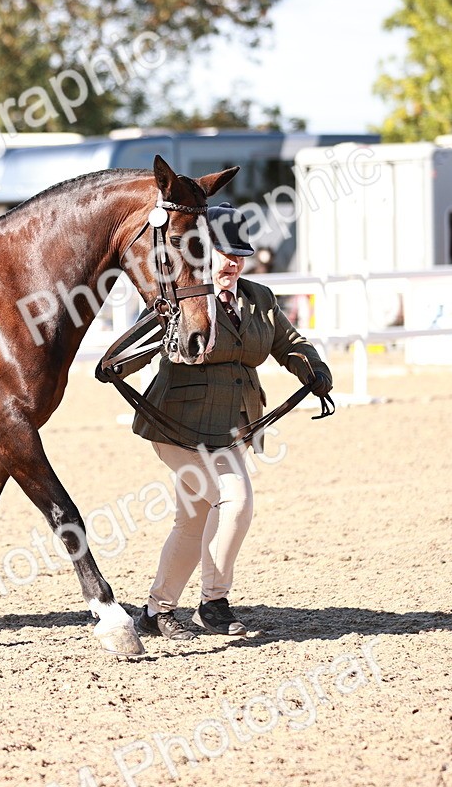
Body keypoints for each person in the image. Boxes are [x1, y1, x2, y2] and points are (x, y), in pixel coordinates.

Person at [133, 202, 333, 641]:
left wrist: (313, 370)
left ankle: (155, 612)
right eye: (225, 252)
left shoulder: (258, 298)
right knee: (236, 500)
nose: (234, 261)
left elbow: (288, 341)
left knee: (192, 519)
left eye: (240, 252)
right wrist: (133, 354)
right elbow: (137, 343)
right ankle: (213, 603)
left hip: (232, 427)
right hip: (179, 426)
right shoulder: (178, 298)